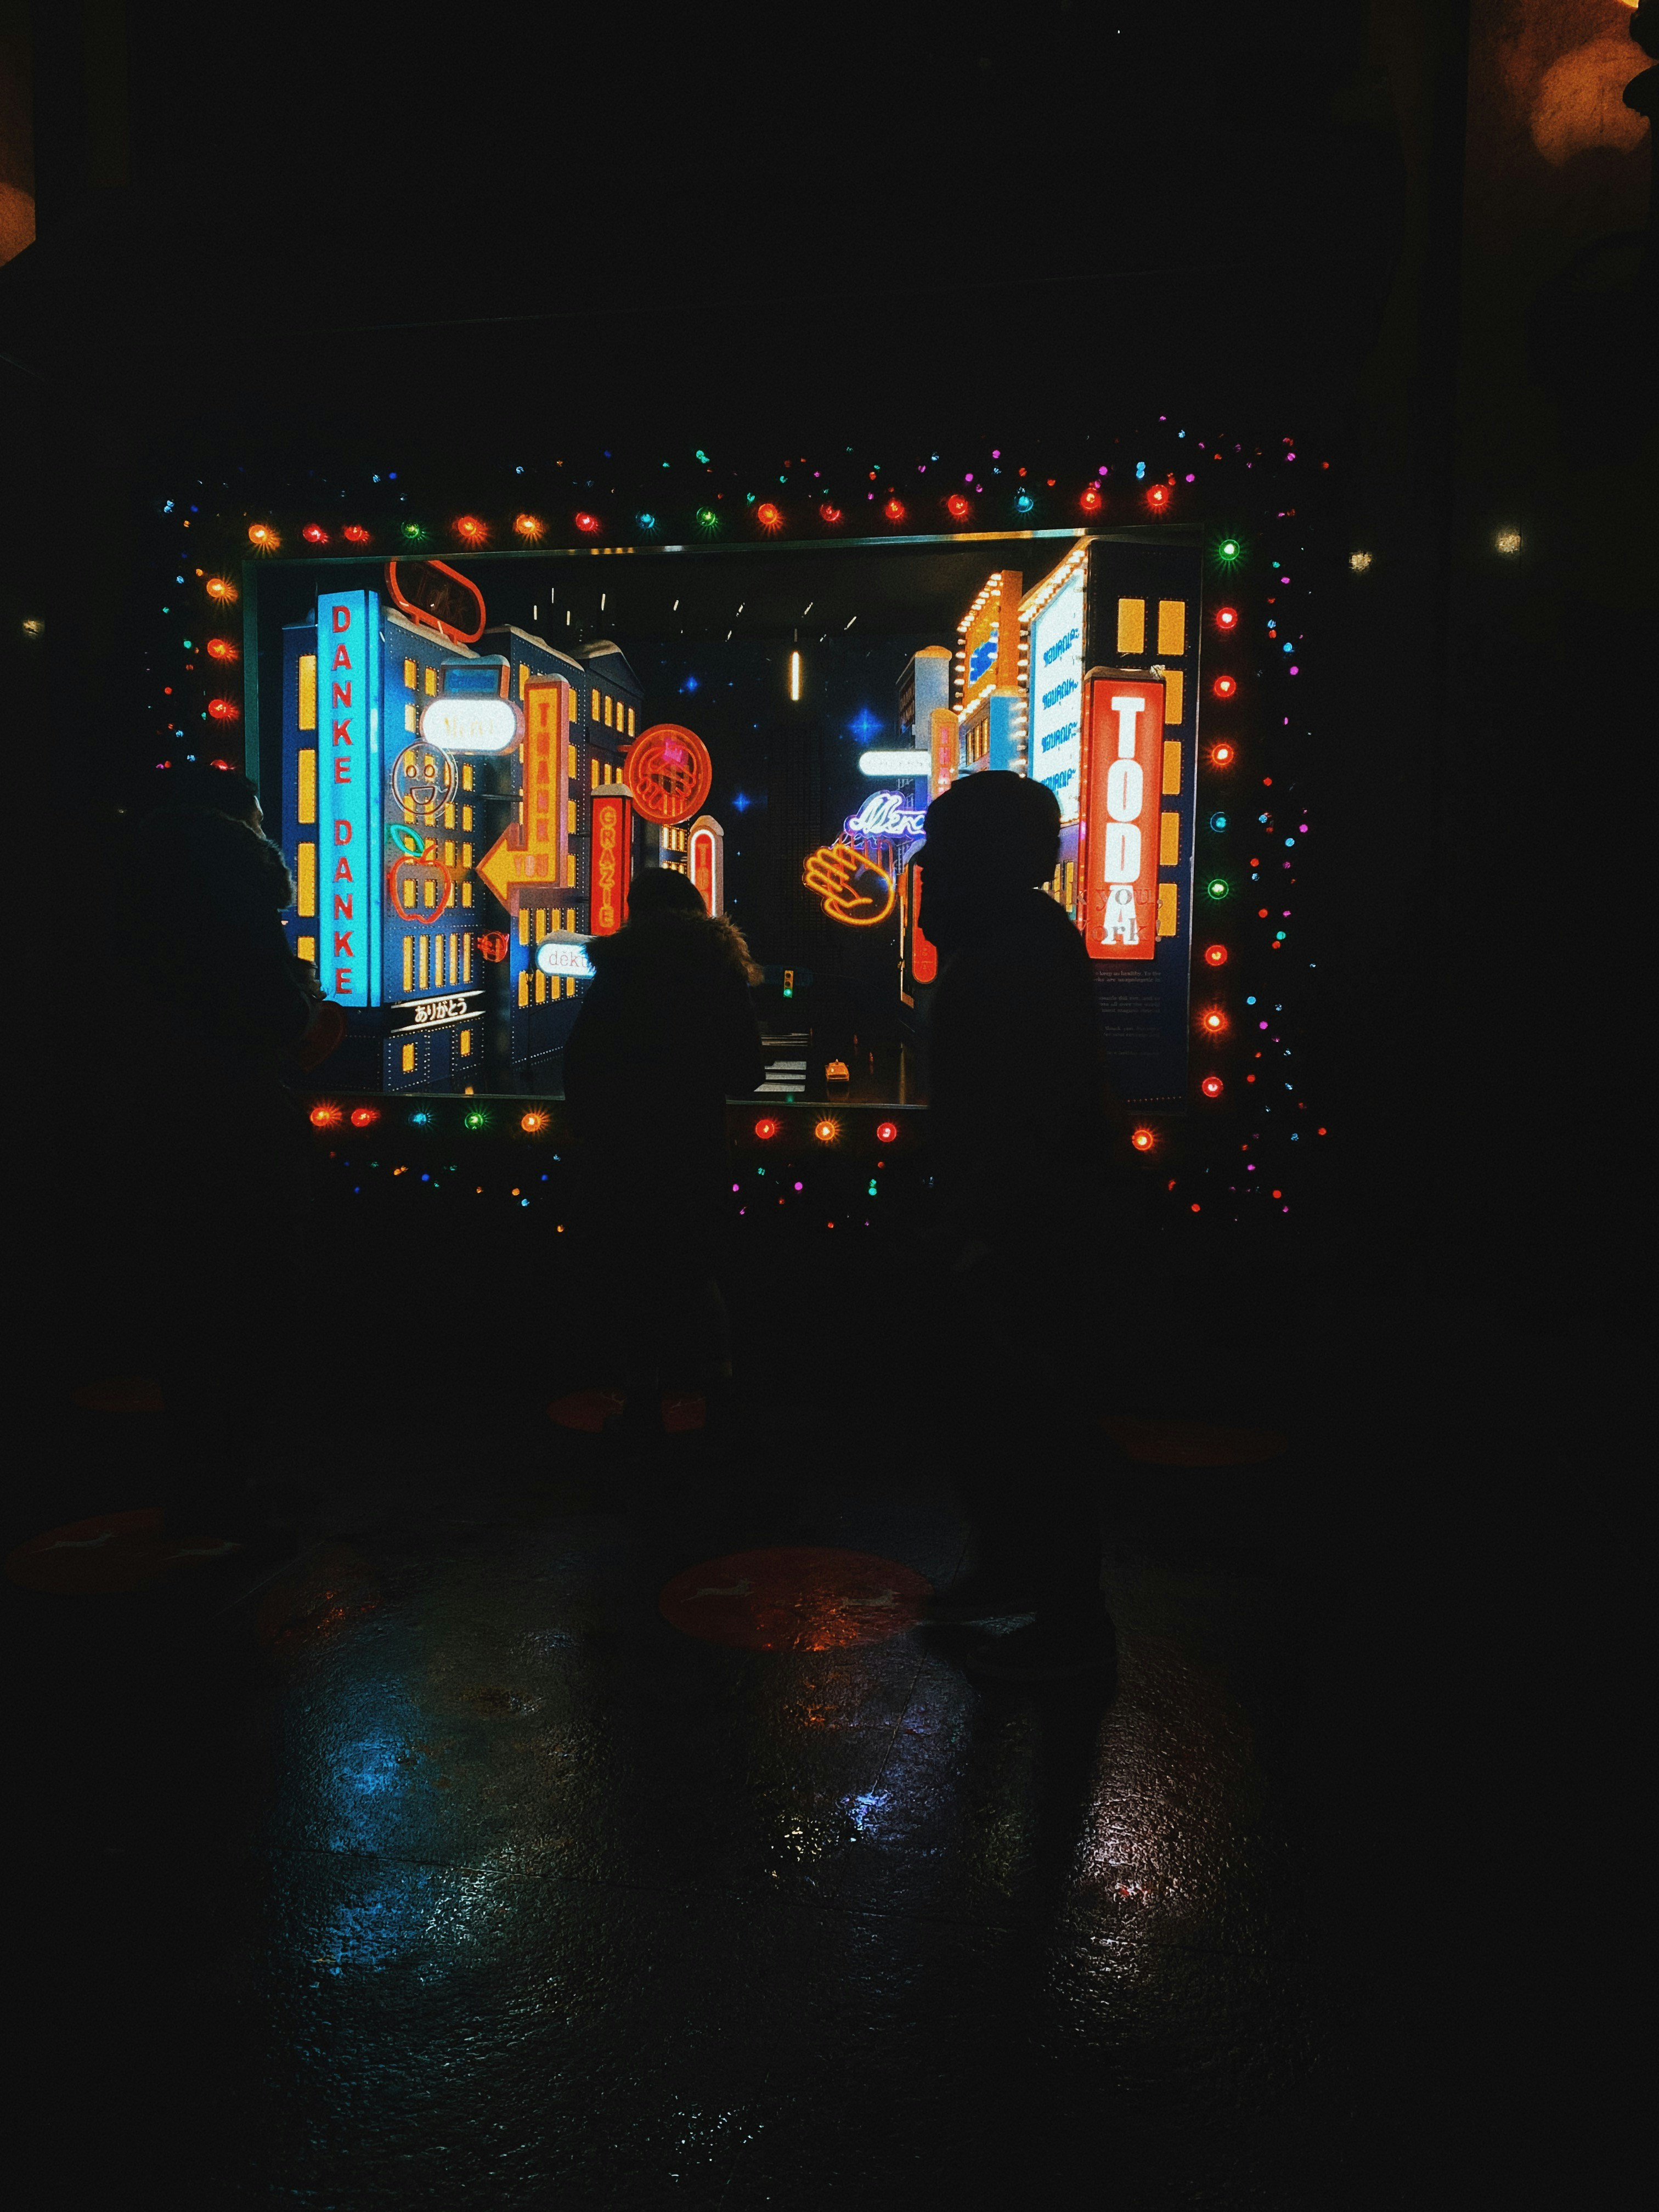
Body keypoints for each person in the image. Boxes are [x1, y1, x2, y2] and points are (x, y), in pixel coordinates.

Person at [917, 771, 1123, 1684]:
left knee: (1029, 1419)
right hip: (1021, 1219)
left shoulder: (1010, 951)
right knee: (1000, 1413)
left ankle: (1068, 1618)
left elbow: (1023, 1108)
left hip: (1020, 1227)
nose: (925, 865)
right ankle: (1024, 1580)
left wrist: (982, 1224)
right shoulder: (1018, 936)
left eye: (943, 845)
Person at [116, 763, 325, 1537]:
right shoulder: (237, 892)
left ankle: (199, 1481)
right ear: (243, 824)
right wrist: (299, 993)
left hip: (155, 1120)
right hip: (238, 1118)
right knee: (257, 1298)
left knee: (187, 1303)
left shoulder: (131, 885)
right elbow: (272, 1012)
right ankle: (240, 1487)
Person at [563, 868, 765, 1440]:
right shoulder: (720, 974)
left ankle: (643, 1405)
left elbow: (581, 1063)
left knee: (632, 1279)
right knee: (698, 1276)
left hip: (624, 1152)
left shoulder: (618, 974)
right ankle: (720, 1402)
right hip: (695, 1149)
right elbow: (748, 1073)